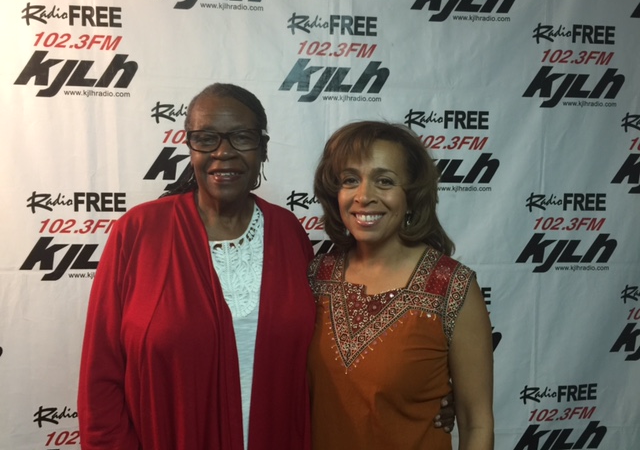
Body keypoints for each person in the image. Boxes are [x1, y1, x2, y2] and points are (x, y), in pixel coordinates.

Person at [77, 83, 316, 450]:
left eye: (242, 137)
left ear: (263, 149)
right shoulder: (138, 232)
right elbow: (101, 376)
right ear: (190, 147)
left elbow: (319, 363)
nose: (223, 152)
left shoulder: (289, 232)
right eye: (206, 139)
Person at [308, 121, 494, 449]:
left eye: (385, 181)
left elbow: (476, 422)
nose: (364, 196)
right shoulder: (314, 277)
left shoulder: (452, 287)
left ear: (412, 195)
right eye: (350, 180)